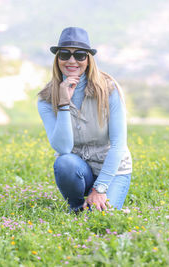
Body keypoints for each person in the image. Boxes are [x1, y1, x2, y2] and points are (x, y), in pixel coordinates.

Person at [37, 27, 132, 213]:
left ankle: (93, 200)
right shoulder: (46, 99)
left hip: (112, 172)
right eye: (65, 54)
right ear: (57, 59)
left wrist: (100, 188)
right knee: (64, 162)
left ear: (89, 60)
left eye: (80, 55)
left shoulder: (109, 89)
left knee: (99, 217)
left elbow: (119, 145)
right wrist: (64, 103)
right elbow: (63, 149)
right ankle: (76, 208)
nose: (72, 60)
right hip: (79, 168)